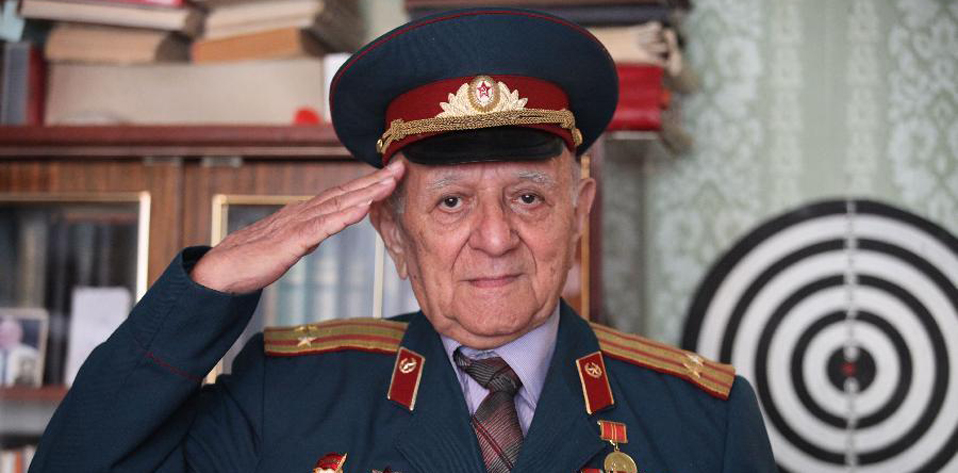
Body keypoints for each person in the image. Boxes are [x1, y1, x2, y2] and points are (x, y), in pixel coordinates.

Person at [30, 8, 777, 473]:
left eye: (527, 197)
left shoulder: (703, 418)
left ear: (578, 211)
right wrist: (210, 286)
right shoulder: (286, 395)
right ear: (393, 230)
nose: (495, 238)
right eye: (451, 202)